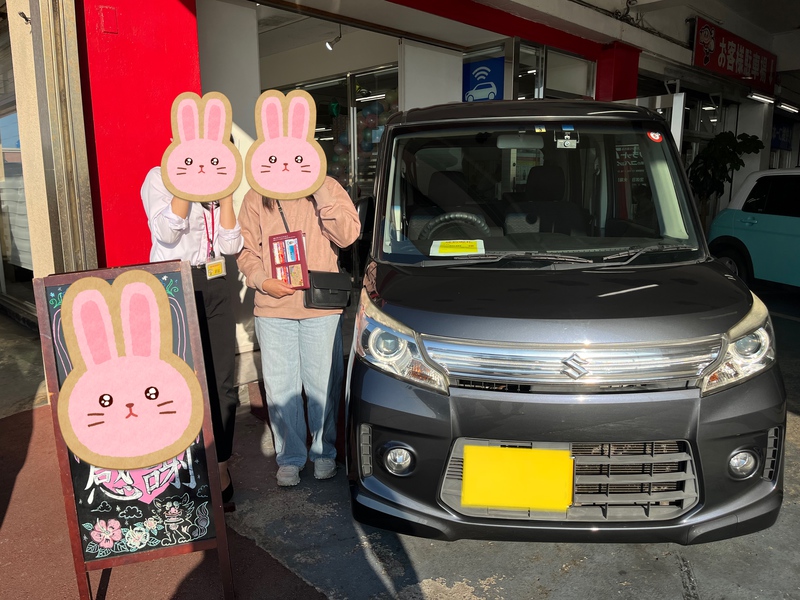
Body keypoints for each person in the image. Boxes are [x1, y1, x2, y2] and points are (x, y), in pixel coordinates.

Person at [236, 176, 360, 487]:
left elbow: (347, 236)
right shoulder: (257, 194)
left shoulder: (327, 186)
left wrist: (319, 190)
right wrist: (263, 281)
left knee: (322, 384)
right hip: (273, 306)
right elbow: (245, 249)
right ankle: (290, 456)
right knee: (280, 387)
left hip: (321, 304)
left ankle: (323, 451)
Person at [141, 166, 243, 503]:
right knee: (178, 380)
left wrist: (225, 197)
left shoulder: (219, 181)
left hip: (216, 280)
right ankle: (179, 470)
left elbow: (230, 244)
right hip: (173, 281)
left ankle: (221, 466)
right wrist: (185, 181)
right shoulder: (159, 177)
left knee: (222, 381)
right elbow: (166, 233)